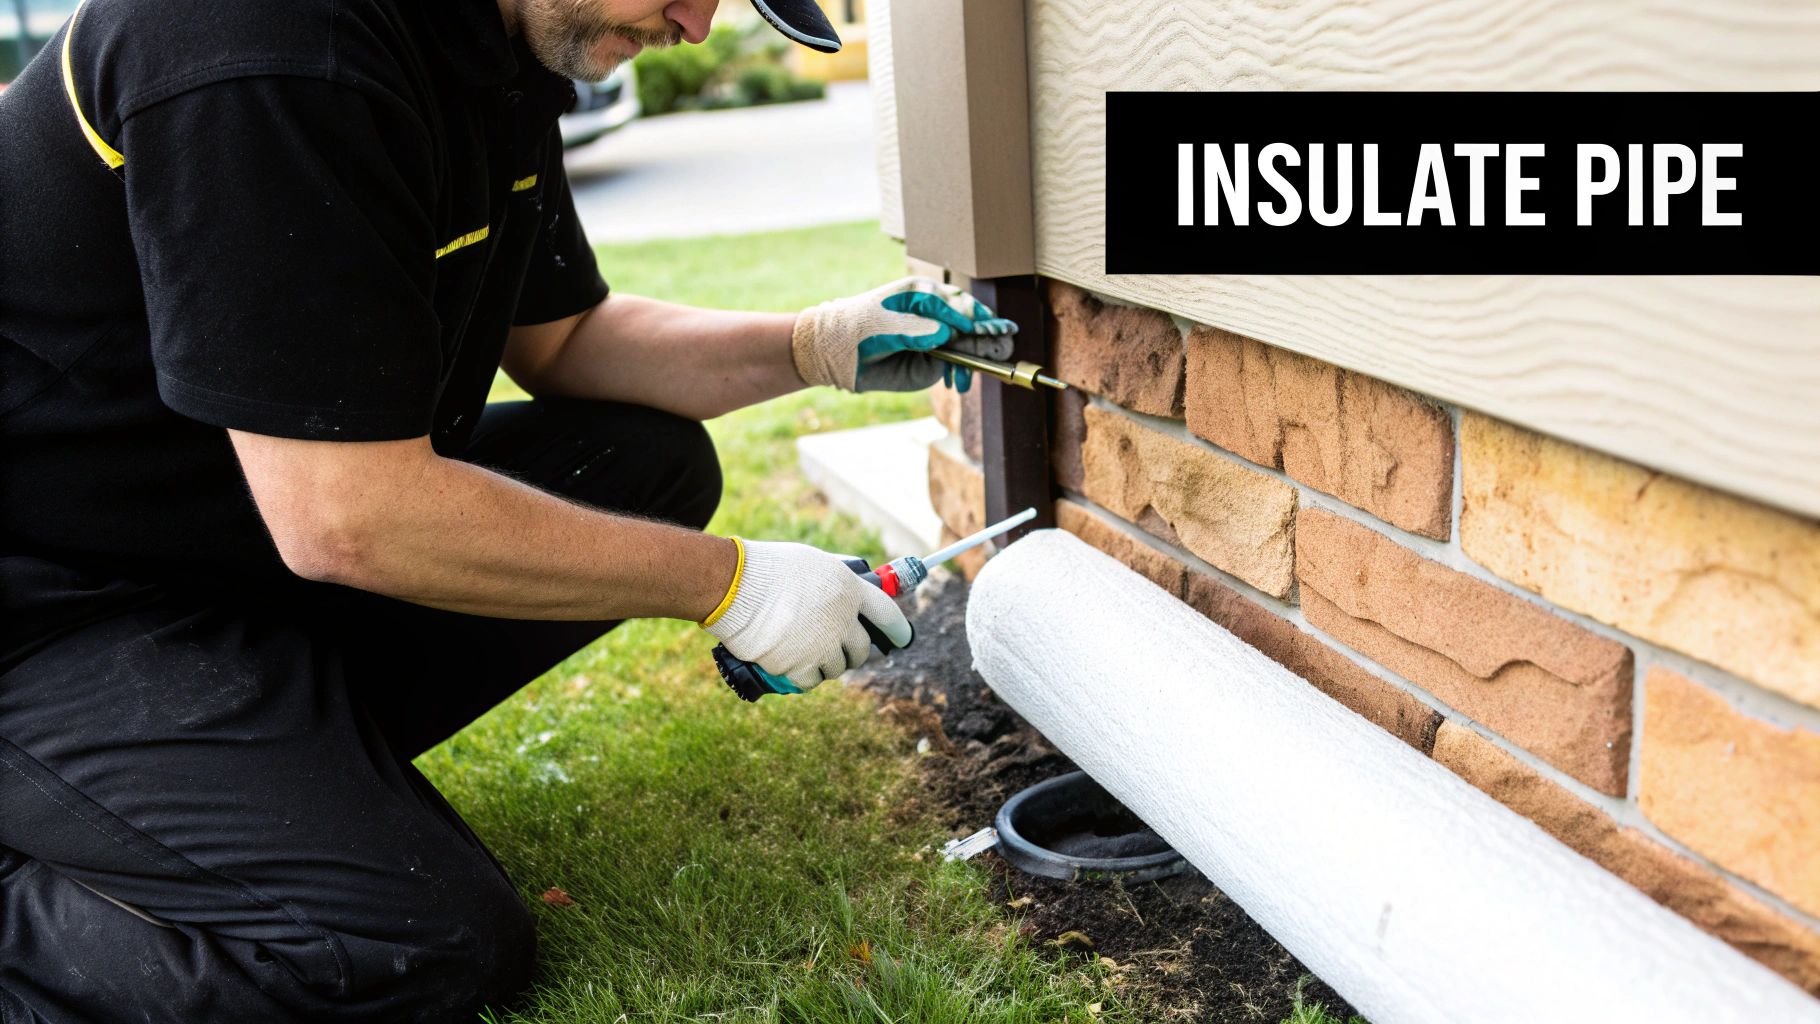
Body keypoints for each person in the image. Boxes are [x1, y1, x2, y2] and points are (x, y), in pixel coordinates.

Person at [0, 0, 1014, 1019]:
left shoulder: (494, 51)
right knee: (411, 940)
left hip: (217, 551)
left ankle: (257, 769)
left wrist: (815, 346)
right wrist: (731, 585)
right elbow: (344, 512)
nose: (696, 25)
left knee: (643, 463)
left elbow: (565, 341)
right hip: (48, 606)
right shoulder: (263, 44)